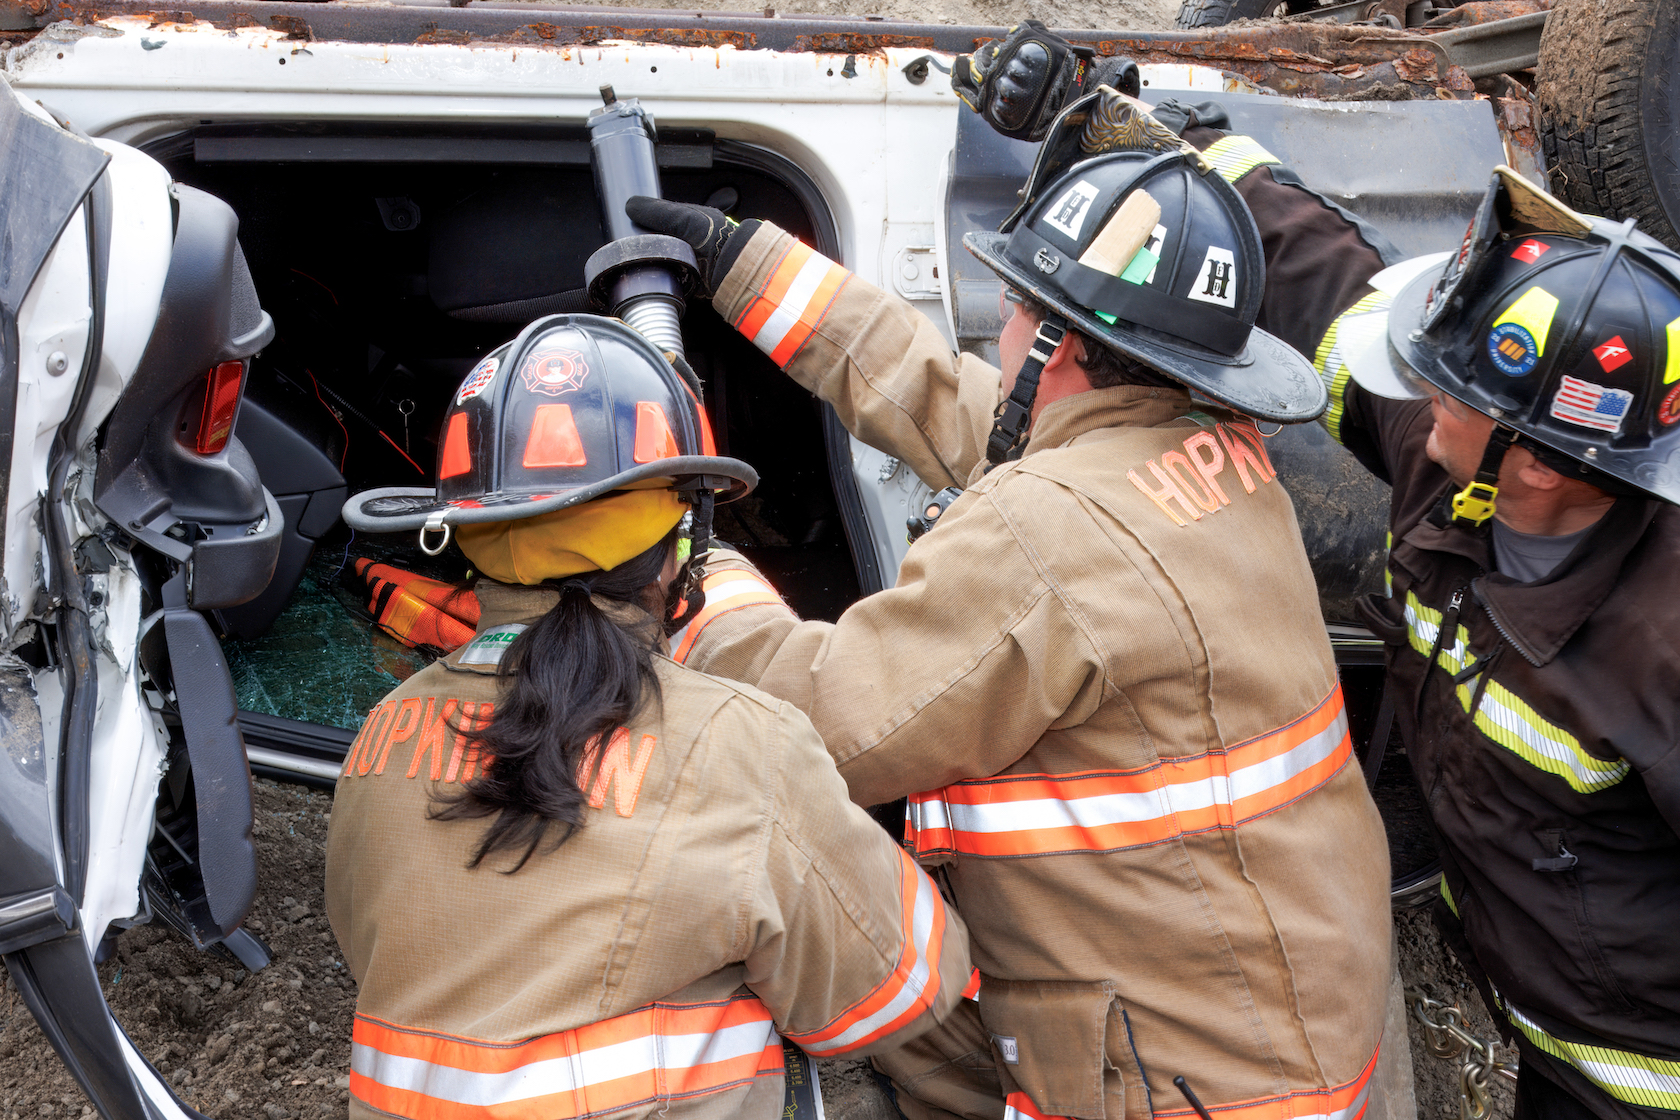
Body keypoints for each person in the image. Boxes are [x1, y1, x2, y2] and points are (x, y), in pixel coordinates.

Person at [627, 87, 1393, 1120]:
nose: (1002, 322)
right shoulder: (1203, 451)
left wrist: (694, 564)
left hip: (1187, 1079)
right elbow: (943, 396)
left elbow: (815, 725)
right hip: (1280, 1010)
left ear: (1058, 348)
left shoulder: (1051, 535)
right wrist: (742, 260)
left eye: (1019, 302)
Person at [326, 314, 972, 1120]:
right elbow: (903, 991)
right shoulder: (743, 746)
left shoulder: (379, 737)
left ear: (467, 524)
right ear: (684, 536)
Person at [1308, 167, 1680, 1120]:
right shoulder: (1453, 476)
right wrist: (1182, 156)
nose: (1422, 388)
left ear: (1545, 465)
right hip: (1534, 1018)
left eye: (1451, 386)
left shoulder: (1661, 647)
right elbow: (1326, 278)